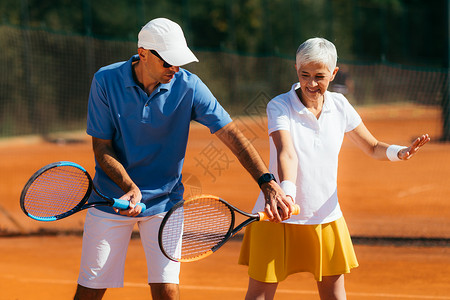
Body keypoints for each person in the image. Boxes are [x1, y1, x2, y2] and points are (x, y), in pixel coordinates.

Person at [73, 18, 292, 300]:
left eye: (180, 62)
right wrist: (129, 186)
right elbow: (102, 148)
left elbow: (233, 136)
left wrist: (267, 182)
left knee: (168, 292)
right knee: (89, 292)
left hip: (166, 201)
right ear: (143, 53)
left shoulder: (189, 86)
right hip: (113, 199)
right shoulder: (105, 80)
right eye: (168, 62)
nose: (175, 69)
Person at [238, 37, 430, 300]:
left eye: (319, 76)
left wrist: (400, 152)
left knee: (335, 295)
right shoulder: (279, 106)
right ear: (296, 69)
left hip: (325, 217)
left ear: (334, 73)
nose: (311, 83)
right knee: (259, 294)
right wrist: (287, 195)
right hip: (278, 215)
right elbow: (287, 152)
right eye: (304, 74)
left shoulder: (340, 105)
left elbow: (372, 146)